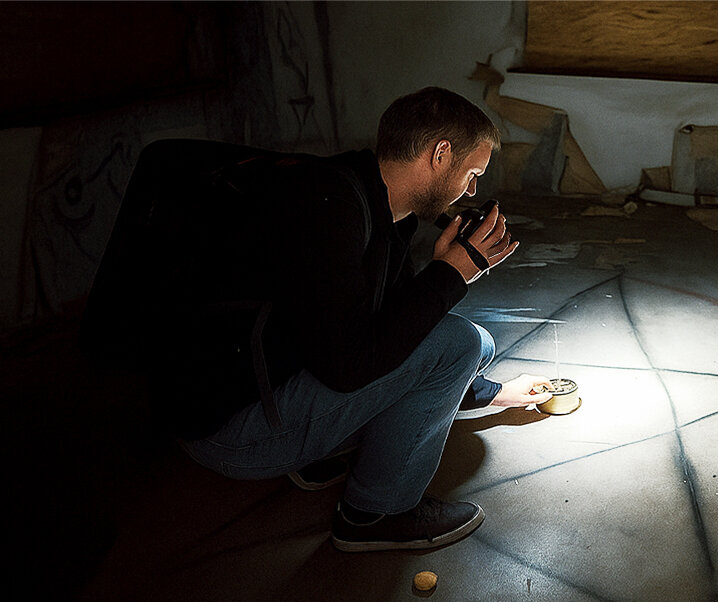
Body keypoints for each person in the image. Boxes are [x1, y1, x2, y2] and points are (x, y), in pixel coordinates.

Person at [82, 87, 551, 552]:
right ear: (440, 154)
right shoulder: (327, 212)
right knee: (461, 344)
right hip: (230, 431)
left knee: (475, 347)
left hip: (266, 376)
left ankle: (321, 449)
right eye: (471, 174)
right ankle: (375, 514)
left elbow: (389, 326)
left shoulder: (357, 189)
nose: (471, 190)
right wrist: (450, 275)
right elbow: (348, 365)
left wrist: (491, 393)